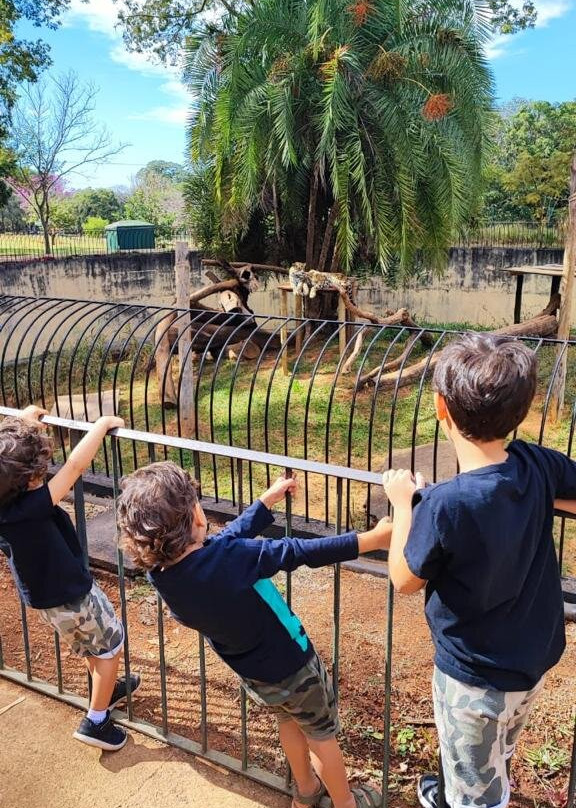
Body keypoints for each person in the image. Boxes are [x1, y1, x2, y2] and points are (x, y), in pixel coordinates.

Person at [117, 460, 390, 808]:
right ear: (196, 516)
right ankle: (346, 802)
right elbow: (298, 551)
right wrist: (373, 539)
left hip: (255, 674)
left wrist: (266, 501)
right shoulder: (231, 559)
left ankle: (306, 792)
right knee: (321, 735)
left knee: (288, 720)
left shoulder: (162, 573)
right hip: (296, 664)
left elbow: (223, 542)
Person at [382, 333, 576, 808]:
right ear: (521, 411)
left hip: (472, 678)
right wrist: (533, 500)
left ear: (440, 407)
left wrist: (404, 504)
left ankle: (471, 795)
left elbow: (404, 579)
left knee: (476, 789)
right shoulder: (536, 465)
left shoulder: (444, 504)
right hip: (531, 661)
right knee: (496, 749)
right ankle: (471, 785)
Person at [0, 406, 141, 751]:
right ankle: (96, 721)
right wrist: (102, 425)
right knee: (110, 647)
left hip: (45, 600)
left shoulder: (7, 506)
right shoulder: (34, 505)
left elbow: (9, 464)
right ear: (28, 480)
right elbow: (76, 466)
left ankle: (106, 690)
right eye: (38, 469)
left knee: (91, 644)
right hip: (73, 593)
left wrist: (24, 423)